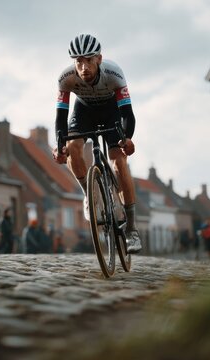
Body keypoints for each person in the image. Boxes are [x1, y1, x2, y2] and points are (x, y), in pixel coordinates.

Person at [52, 34, 142, 253]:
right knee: (73, 148)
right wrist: (60, 144)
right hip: (84, 112)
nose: (84, 67)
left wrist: (127, 138)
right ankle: (89, 194)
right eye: (78, 61)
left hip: (111, 111)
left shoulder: (114, 73)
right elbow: (60, 117)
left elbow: (127, 113)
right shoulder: (65, 78)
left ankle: (131, 229)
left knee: (119, 163)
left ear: (99, 59)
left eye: (89, 60)